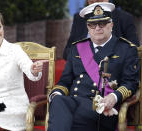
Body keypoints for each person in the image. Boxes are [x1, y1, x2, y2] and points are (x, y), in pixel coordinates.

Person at [48, 2, 139, 131]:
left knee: (62, 116)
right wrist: (56, 93)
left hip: (103, 108)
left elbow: (131, 83)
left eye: (102, 23)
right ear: (87, 27)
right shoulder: (76, 48)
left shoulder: (126, 49)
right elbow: (64, 81)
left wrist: (114, 97)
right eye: (92, 24)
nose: (97, 28)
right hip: (74, 104)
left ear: (111, 25)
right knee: (57, 101)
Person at [63, 0, 139, 60]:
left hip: (113, 72)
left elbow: (134, 49)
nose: (96, 6)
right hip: (83, 72)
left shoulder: (124, 18)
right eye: (92, 2)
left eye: (100, 1)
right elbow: (67, 52)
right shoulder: (79, 18)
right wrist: (83, 56)